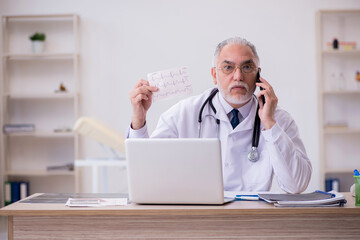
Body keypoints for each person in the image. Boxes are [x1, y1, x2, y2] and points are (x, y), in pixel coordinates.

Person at [128, 37, 312, 193]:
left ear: (258, 75)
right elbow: (147, 176)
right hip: (198, 220)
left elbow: (296, 185)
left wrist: (270, 125)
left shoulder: (279, 120)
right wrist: (139, 119)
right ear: (214, 75)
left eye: (247, 67)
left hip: (254, 221)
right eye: (228, 67)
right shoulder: (183, 114)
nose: (238, 76)